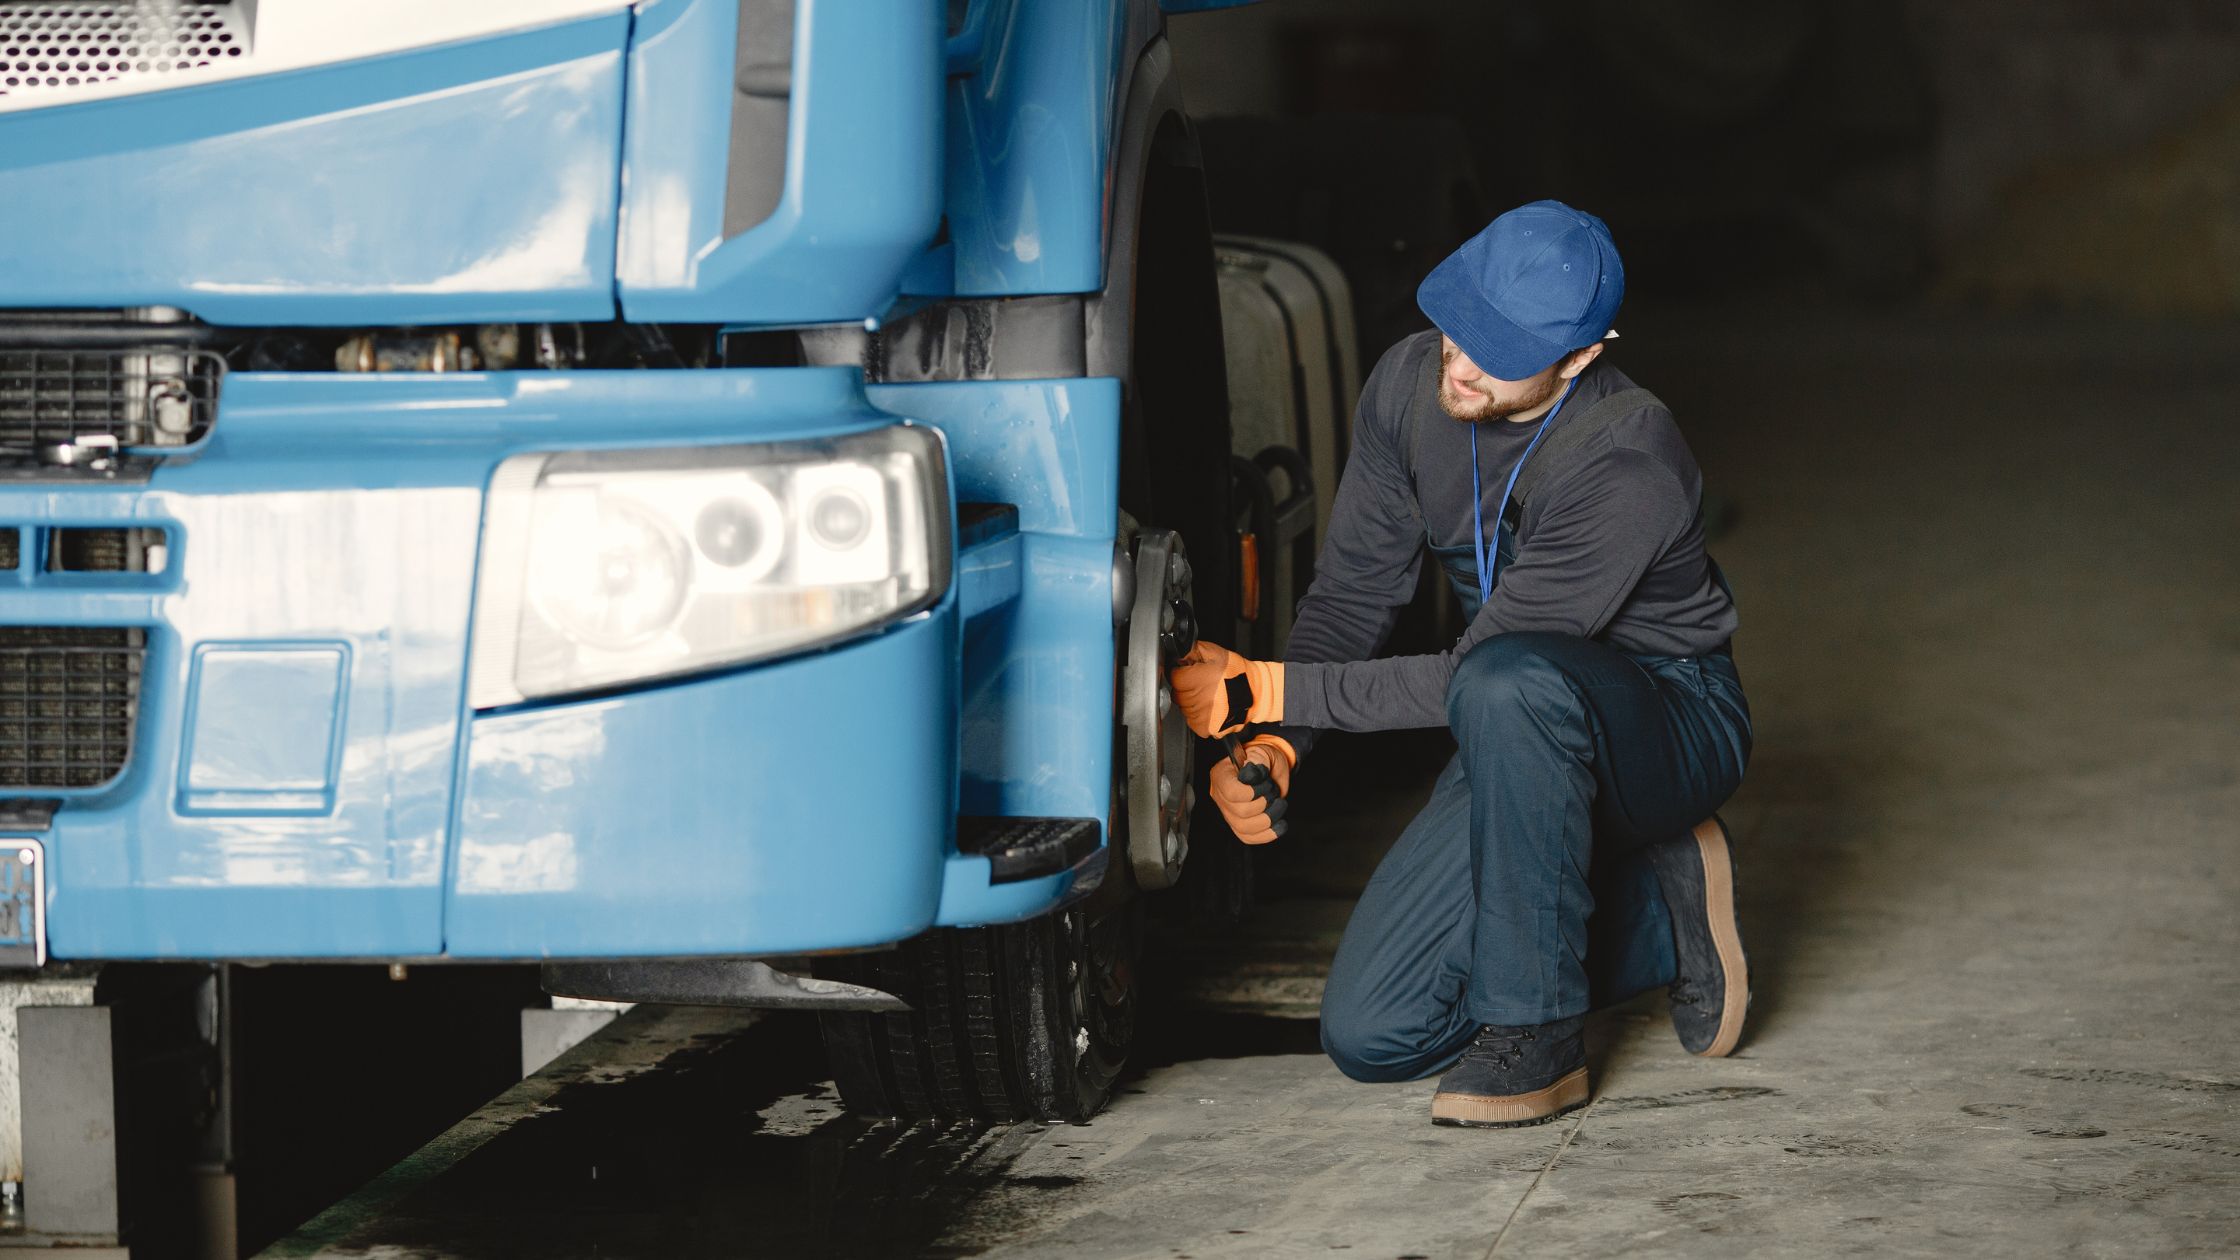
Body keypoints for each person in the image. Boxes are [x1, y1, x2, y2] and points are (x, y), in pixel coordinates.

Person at [1168, 201, 1753, 1128]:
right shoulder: (1410, 383)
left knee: (1506, 680)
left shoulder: (1628, 457)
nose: (1464, 362)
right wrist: (1282, 739)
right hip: (1508, 720)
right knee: (1376, 1033)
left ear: (1582, 358)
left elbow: (1472, 674)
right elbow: (1357, 590)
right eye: (1458, 326)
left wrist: (1260, 686)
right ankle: (1653, 913)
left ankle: (1541, 1037)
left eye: (1503, 349)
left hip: (1664, 719)